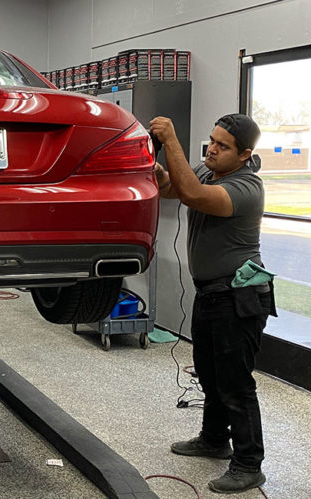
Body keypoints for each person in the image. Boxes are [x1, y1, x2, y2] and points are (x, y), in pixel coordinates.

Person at [149, 114, 277, 494]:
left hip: (237, 296)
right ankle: (213, 439)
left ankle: (248, 464)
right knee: (209, 374)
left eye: (222, 146)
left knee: (235, 384)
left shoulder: (246, 186)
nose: (212, 150)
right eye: (211, 141)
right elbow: (175, 188)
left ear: (245, 155)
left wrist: (172, 139)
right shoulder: (211, 171)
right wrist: (156, 170)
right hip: (210, 294)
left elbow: (192, 195)